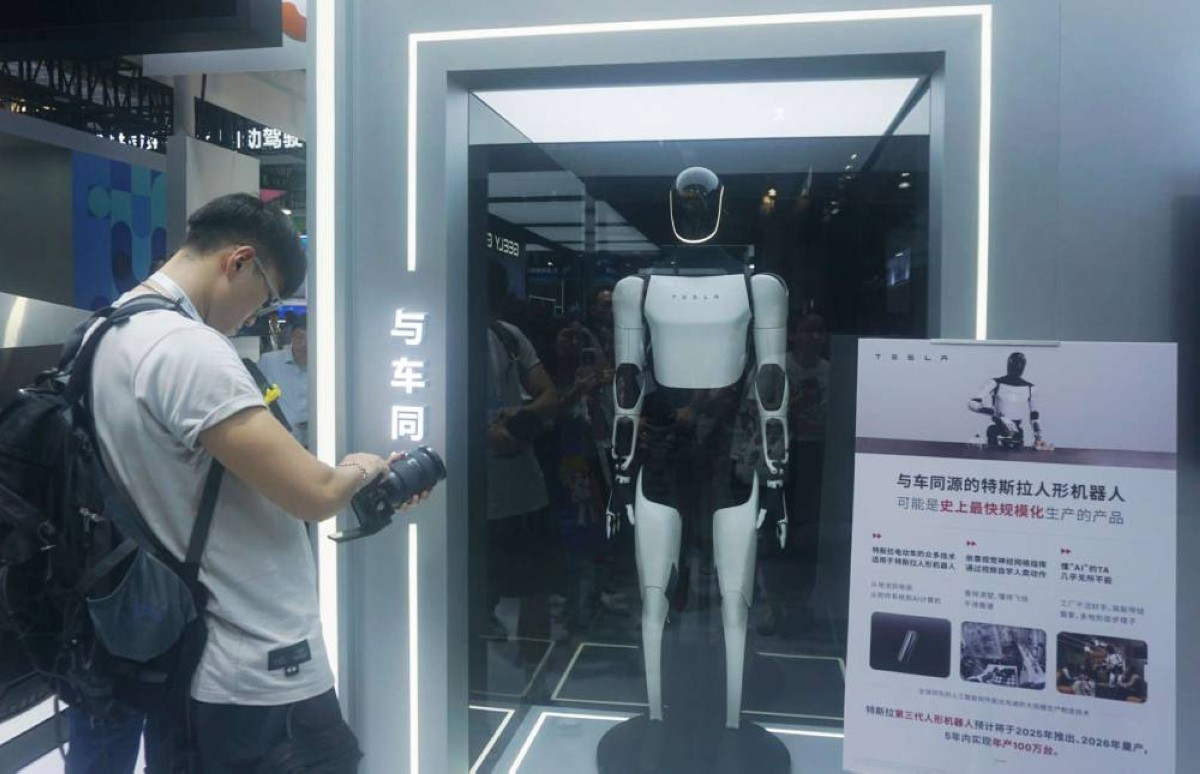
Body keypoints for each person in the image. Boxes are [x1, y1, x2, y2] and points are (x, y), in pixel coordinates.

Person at [73, 193, 421, 773]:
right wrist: (363, 466)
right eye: (264, 299)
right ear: (239, 262)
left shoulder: (105, 332)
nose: (253, 318)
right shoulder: (187, 349)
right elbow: (314, 495)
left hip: (183, 654)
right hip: (255, 659)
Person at [483, 262, 560, 650]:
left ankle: (535, 670)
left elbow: (549, 395)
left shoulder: (507, 335)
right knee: (474, 592)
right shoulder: (439, 337)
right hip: (472, 493)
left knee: (534, 587)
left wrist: (519, 416)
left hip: (518, 486)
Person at [258, 315, 310, 448]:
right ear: (292, 337)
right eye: (299, 337)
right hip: (279, 441)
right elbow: (256, 396)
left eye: (310, 338)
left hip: (316, 442)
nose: (303, 344)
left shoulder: (327, 366)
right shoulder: (270, 362)